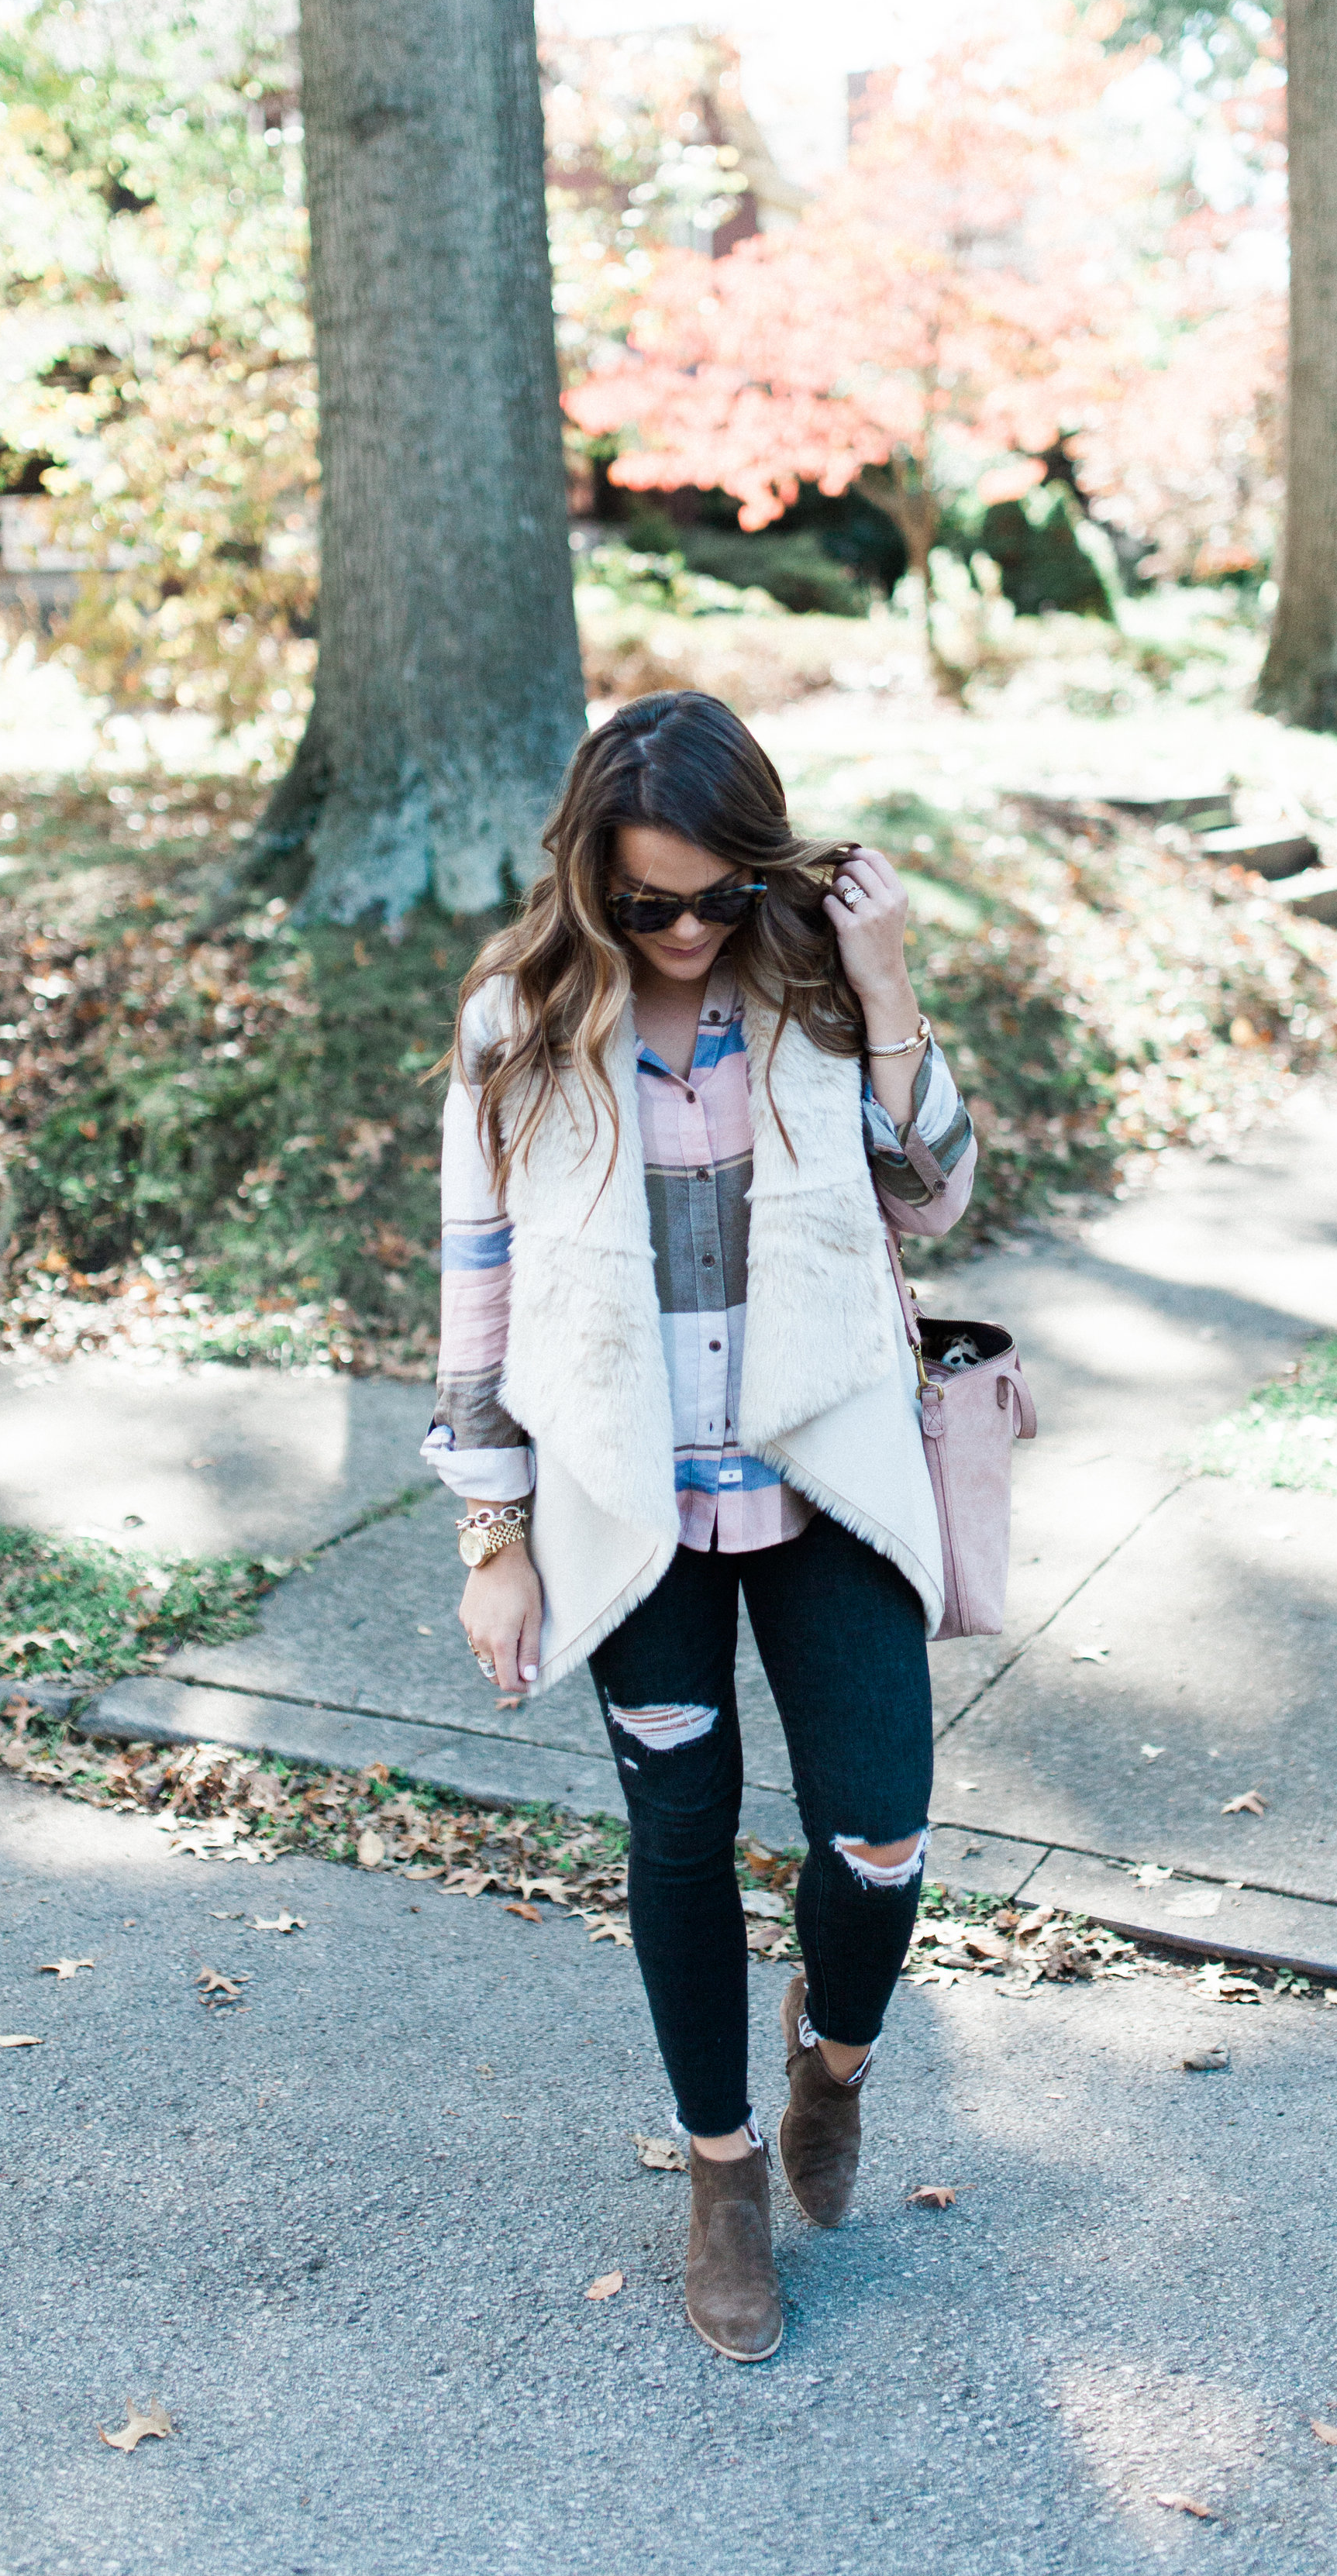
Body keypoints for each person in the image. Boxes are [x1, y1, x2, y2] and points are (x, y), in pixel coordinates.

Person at [423, 690, 976, 2361]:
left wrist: (883, 992)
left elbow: (934, 1194)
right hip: (624, 1501)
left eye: (712, 897)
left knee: (878, 1828)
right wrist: (493, 1531)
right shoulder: (516, 1017)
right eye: (644, 902)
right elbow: (478, 1279)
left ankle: (838, 2054)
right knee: (678, 1831)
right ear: (591, 881)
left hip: (825, 1485)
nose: (679, 931)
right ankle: (721, 2170)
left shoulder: (808, 987)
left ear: (759, 871)